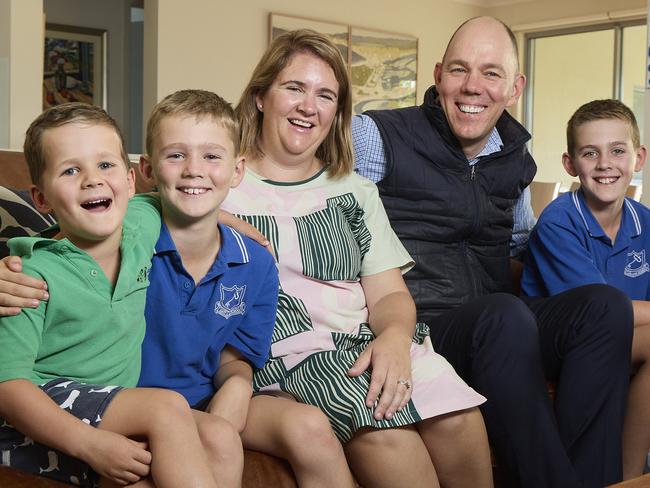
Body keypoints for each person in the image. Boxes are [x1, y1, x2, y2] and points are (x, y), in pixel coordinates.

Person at [352, 16, 633, 488]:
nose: (472, 87)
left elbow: (521, 242)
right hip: (426, 324)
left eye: (491, 73)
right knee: (503, 316)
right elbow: (315, 202)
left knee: (605, 308)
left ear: (515, 87)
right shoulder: (377, 135)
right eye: (459, 70)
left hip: (506, 326)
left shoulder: (516, 158)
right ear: (439, 75)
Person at [223, 29, 492, 488]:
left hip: (365, 342)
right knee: (392, 439)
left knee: (460, 415)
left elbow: (389, 293)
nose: (309, 106)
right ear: (261, 97)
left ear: (337, 114)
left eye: (325, 95)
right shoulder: (219, 181)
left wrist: (391, 340)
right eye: (294, 88)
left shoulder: (353, 190)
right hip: (285, 354)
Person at [137, 88, 356, 488]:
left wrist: (238, 383)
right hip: (137, 404)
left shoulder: (254, 262)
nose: (193, 169)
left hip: (204, 396)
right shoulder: (127, 242)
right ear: (147, 170)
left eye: (211, 156)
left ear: (237, 170)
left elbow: (234, 355)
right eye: (175, 155)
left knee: (308, 425)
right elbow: (59, 245)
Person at [0, 103, 222, 487]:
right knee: (166, 407)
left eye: (105, 165)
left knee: (219, 437)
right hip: (32, 417)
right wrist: (89, 444)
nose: (92, 180)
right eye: (71, 170)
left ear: (132, 181)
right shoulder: (30, 276)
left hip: (110, 404)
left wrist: (232, 223)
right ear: (41, 199)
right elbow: (8, 386)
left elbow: (180, 199)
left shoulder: (140, 223)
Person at [521, 99, 650, 479]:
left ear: (638, 158)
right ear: (570, 164)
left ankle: (628, 477)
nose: (605, 163)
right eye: (590, 153)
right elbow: (602, 314)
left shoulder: (645, 221)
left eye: (618, 151)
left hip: (621, 339)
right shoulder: (559, 221)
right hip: (559, 345)